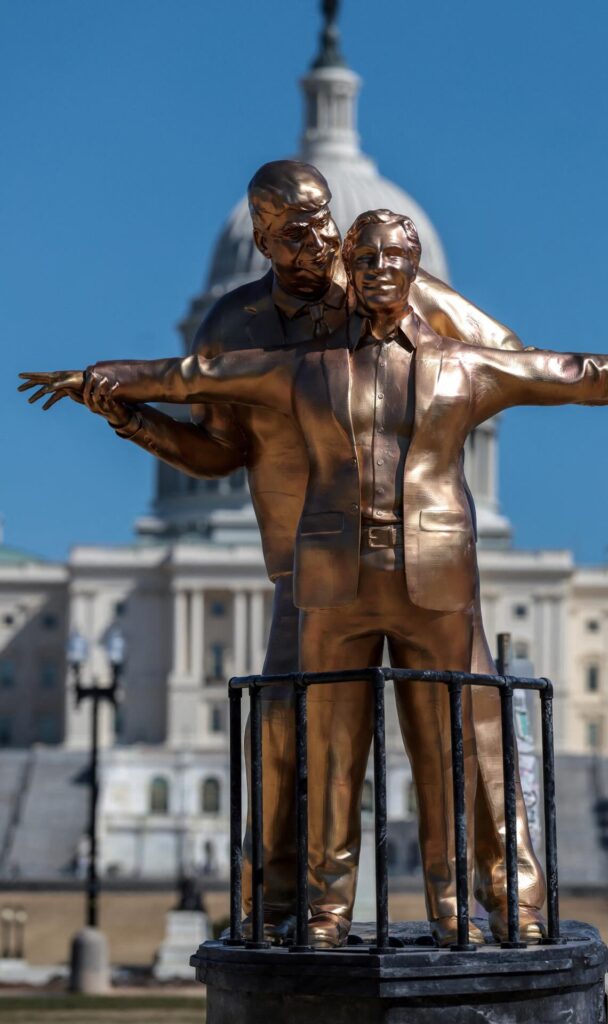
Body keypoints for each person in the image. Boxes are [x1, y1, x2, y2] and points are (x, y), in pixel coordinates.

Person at [20, 209, 608, 947]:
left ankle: (455, 905)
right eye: (364, 260)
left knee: (450, 751)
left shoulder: (464, 365)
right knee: (330, 756)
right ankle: (325, 910)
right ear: (350, 272)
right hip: (333, 577)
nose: (378, 273)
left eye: (393, 260)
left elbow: (572, 374)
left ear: (414, 271)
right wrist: (100, 381)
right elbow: (196, 375)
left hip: (435, 575)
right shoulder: (306, 367)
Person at [23, 160, 548, 943]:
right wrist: (132, 420)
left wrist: (422, 381)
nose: (321, 241)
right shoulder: (233, 325)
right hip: (310, 565)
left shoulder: (381, 283)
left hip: (416, 550)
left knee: (470, 721)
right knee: (280, 725)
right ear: (263, 240)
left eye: (325, 220)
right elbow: (214, 453)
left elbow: (508, 356)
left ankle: (509, 897)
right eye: (297, 232)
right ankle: (280, 907)